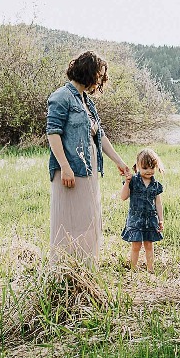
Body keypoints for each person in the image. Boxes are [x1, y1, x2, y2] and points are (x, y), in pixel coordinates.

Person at [46, 50, 129, 264]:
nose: (101, 80)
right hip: (70, 170)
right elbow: (53, 133)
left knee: (88, 219)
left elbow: (98, 135)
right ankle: (65, 269)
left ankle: (85, 267)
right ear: (89, 72)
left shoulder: (87, 102)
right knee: (68, 220)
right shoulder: (61, 97)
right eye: (99, 75)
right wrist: (65, 167)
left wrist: (119, 162)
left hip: (87, 169)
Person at [120, 148, 164, 272]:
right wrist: (127, 183)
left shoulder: (156, 185)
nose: (149, 171)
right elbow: (123, 197)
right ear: (138, 166)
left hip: (150, 219)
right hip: (136, 219)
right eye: (145, 168)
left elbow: (158, 203)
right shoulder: (133, 181)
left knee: (149, 245)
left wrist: (161, 220)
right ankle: (133, 269)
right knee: (136, 245)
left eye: (152, 167)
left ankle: (150, 269)